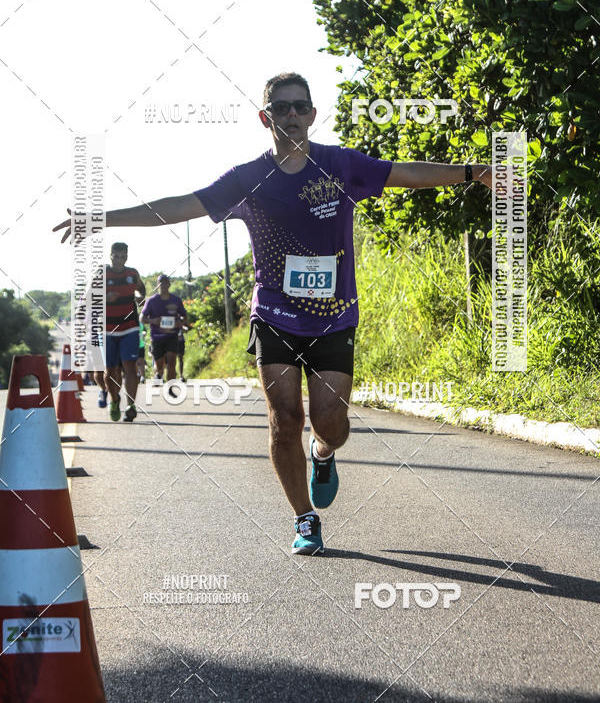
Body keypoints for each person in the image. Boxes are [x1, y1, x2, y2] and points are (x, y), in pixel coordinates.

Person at [55, 72, 492, 554]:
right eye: (280, 108)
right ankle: (305, 519)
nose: (290, 115)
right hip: (275, 316)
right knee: (284, 419)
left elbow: (405, 173)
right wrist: (102, 218)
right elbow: (180, 206)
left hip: (335, 317)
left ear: (311, 114)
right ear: (265, 118)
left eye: (298, 106)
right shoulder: (248, 179)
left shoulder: (339, 165)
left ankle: (323, 453)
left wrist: (473, 171)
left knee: (331, 424)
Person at [102, 242, 146, 422]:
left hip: (130, 327)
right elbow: (89, 297)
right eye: (116, 256)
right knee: (111, 370)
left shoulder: (132, 273)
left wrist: (140, 298)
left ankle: (131, 405)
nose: (120, 260)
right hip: (108, 330)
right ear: (110, 255)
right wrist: (105, 297)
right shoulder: (102, 274)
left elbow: (141, 289)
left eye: (123, 256)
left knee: (130, 366)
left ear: (127, 256)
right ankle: (114, 400)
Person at [141, 275, 188, 389]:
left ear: (169, 284)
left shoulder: (176, 300)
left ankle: (170, 387)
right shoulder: (151, 301)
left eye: (166, 282)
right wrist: (153, 321)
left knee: (172, 362)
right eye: (161, 283)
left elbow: (184, 316)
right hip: (157, 337)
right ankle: (158, 374)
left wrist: (180, 323)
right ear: (157, 285)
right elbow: (142, 318)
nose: (163, 285)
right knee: (160, 366)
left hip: (172, 336)